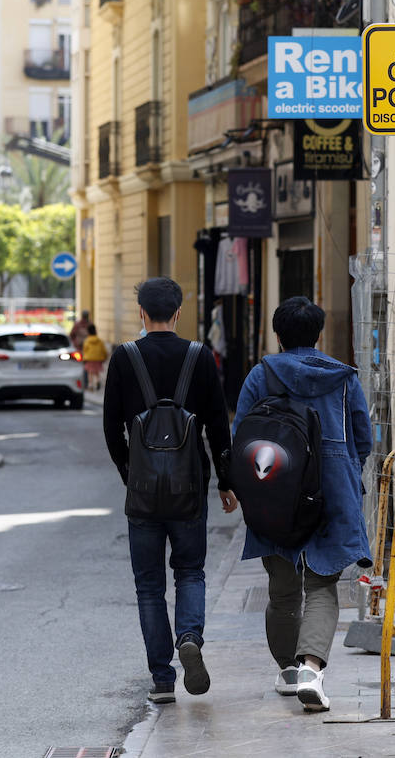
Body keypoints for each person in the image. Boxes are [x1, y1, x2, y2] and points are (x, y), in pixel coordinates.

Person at [232, 296, 373, 712]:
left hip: (274, 488)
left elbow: (241, 438)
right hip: (332, 490)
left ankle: (289, 671)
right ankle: (312, 667)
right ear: (319, 335)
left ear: (278, 336)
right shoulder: (343, 379)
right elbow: (362, 438)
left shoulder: (261, 376)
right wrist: (343, 469)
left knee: (282, 590)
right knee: (323, 584)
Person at [102, 278, 238, 705]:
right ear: (178, 313)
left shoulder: (124, 358)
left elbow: (110, 428)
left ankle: (162, 680)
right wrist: (226, 482)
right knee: (190, 571)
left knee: (148, 586)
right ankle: (189, 637)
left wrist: (131, 473)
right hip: (189, 488)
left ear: (141, 313)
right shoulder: (199, 357)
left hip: (142, 493)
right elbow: (218, 424)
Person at [81, 324, 108, 392]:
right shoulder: (100, 340)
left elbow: (84, 350)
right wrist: (104, 357)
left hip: (89, 359)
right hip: (98, 359)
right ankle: (97, 381)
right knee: (96, 372)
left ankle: (90, 385)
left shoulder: (87, 341)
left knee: (90, 372)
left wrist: (84, 358)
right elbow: (104, 350)